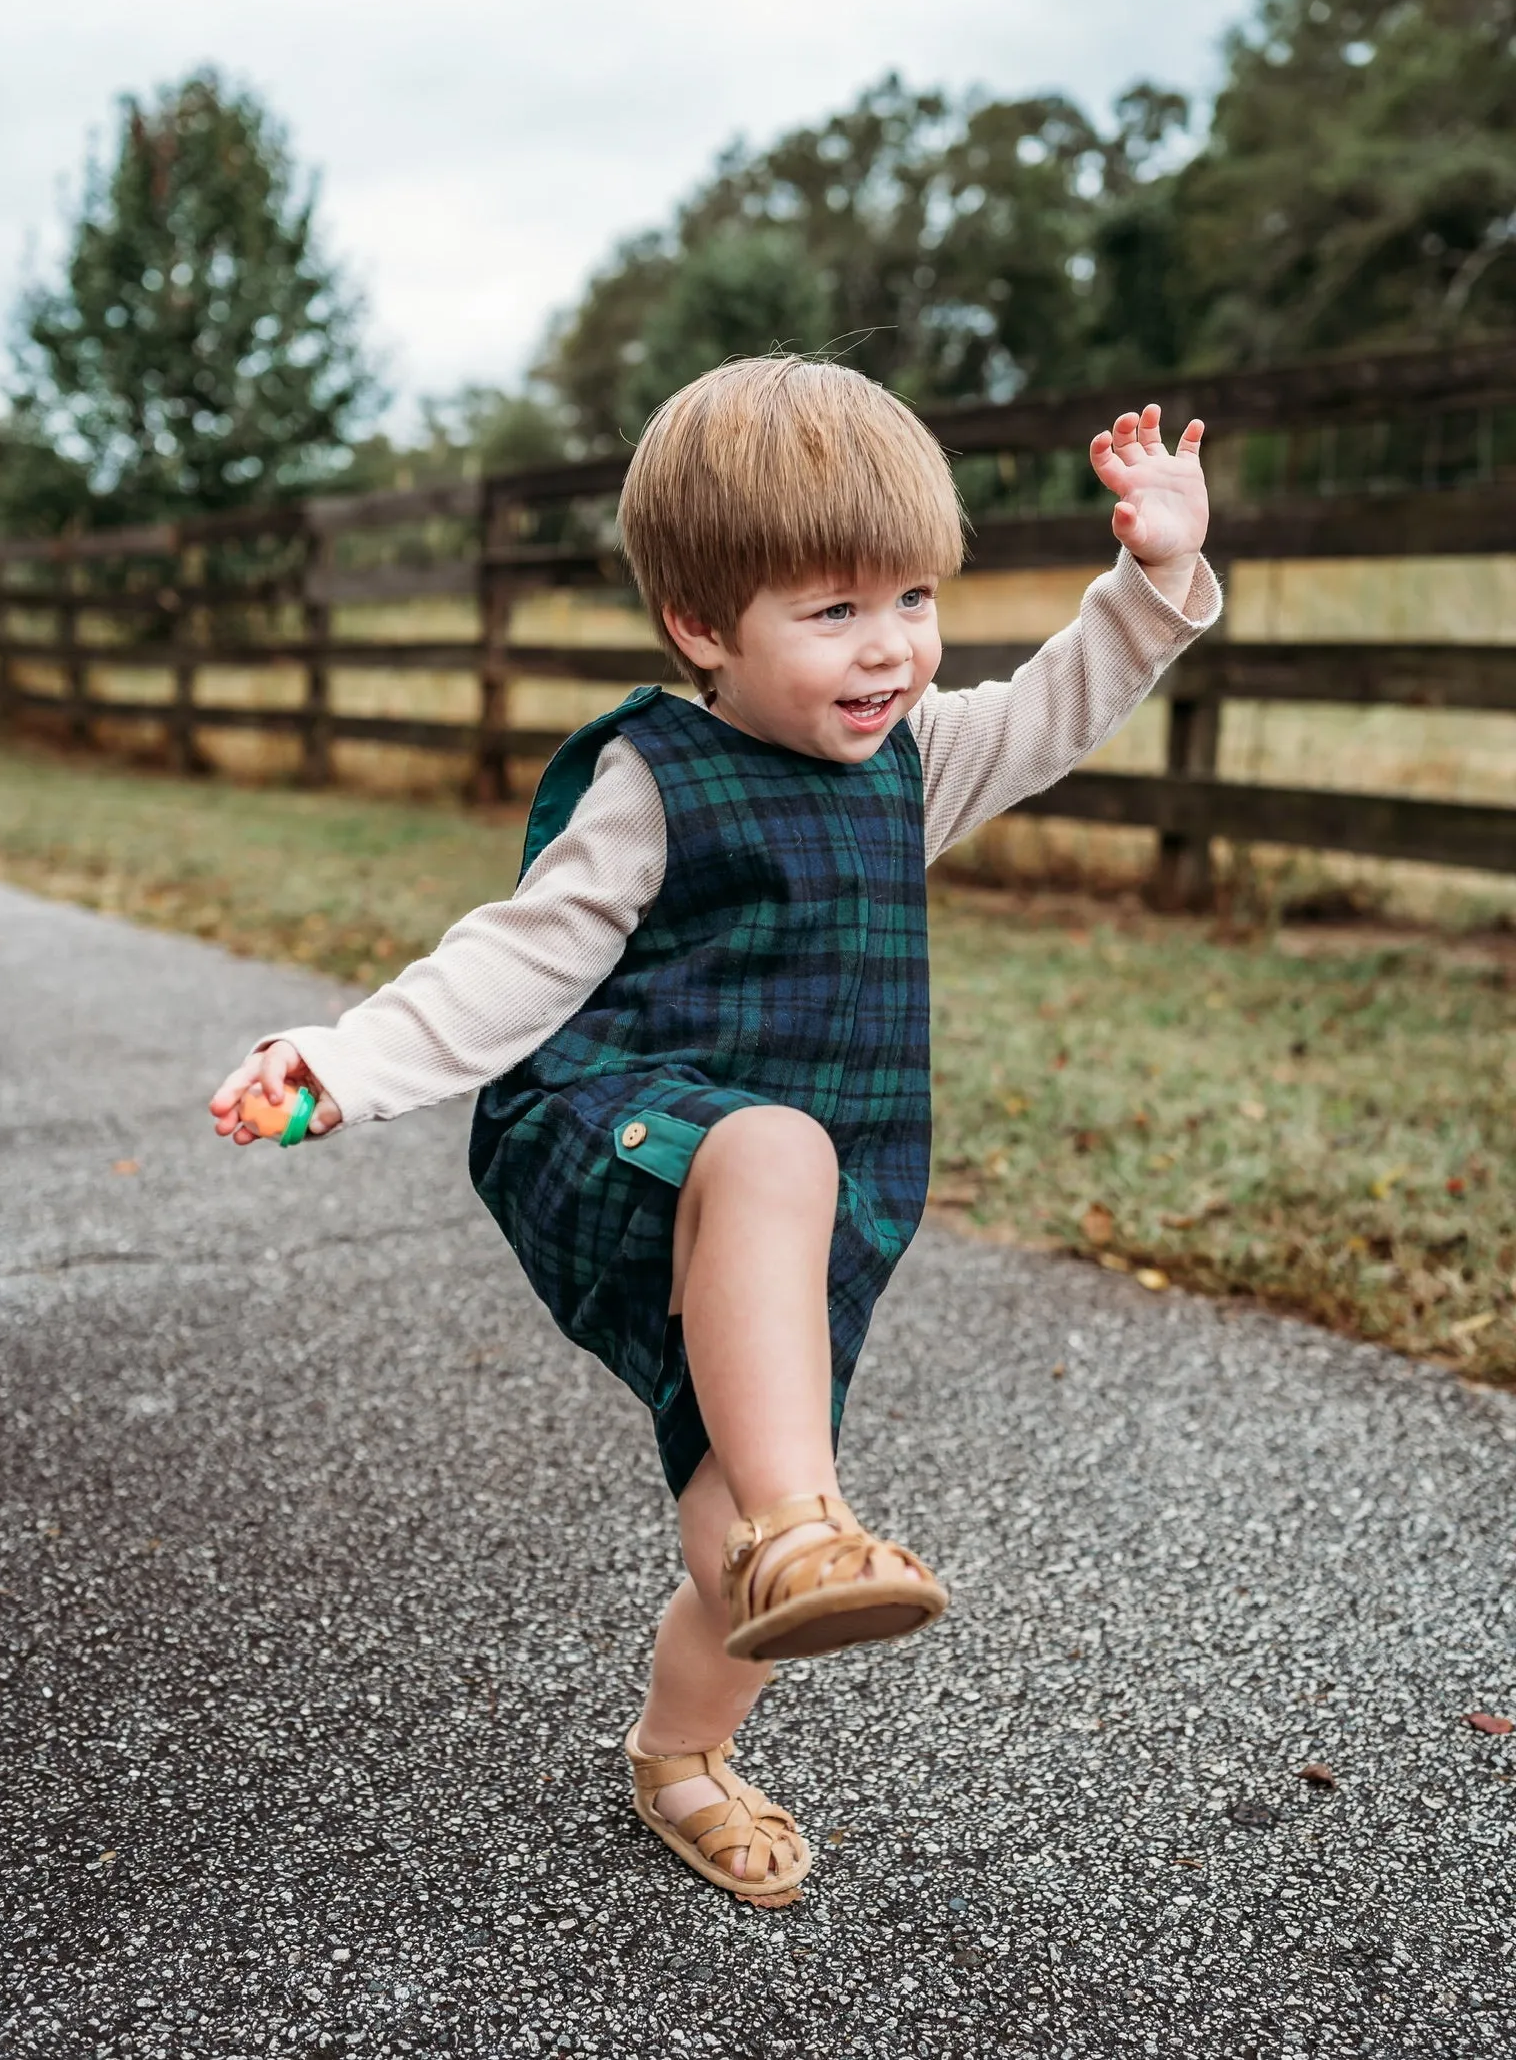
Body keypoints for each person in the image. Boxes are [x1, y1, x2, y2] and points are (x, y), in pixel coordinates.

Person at [209, 357, 1218, 1906]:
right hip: (622, 1132)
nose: (890, 647)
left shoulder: (907, 760)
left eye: (914, 598)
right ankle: (811, 1524)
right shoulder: (653, 777)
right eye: (833, 612)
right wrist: (343, 1061)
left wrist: (1152, 575)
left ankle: (682, 1751)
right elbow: (518, 952)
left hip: (808, 1210)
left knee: (726, 1542)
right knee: (774, 1153)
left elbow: (1050, 707)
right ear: (703, 627)